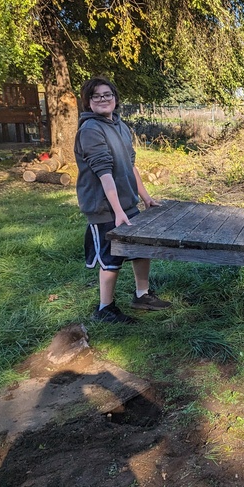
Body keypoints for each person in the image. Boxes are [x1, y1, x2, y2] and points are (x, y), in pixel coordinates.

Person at [74, 77, 171, 324]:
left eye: (108, 94)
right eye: (96, 96)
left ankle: (142, 295)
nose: (103, 99)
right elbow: (103, 173)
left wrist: (146, 198)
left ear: (115, 98)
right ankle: (105, 308)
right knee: (111, 258)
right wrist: (117, 211)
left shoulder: (120, 126)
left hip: (127, 204)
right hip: (104, 208)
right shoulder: (90, 130)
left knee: (141, 248)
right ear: (88, 102)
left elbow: (131, 166)